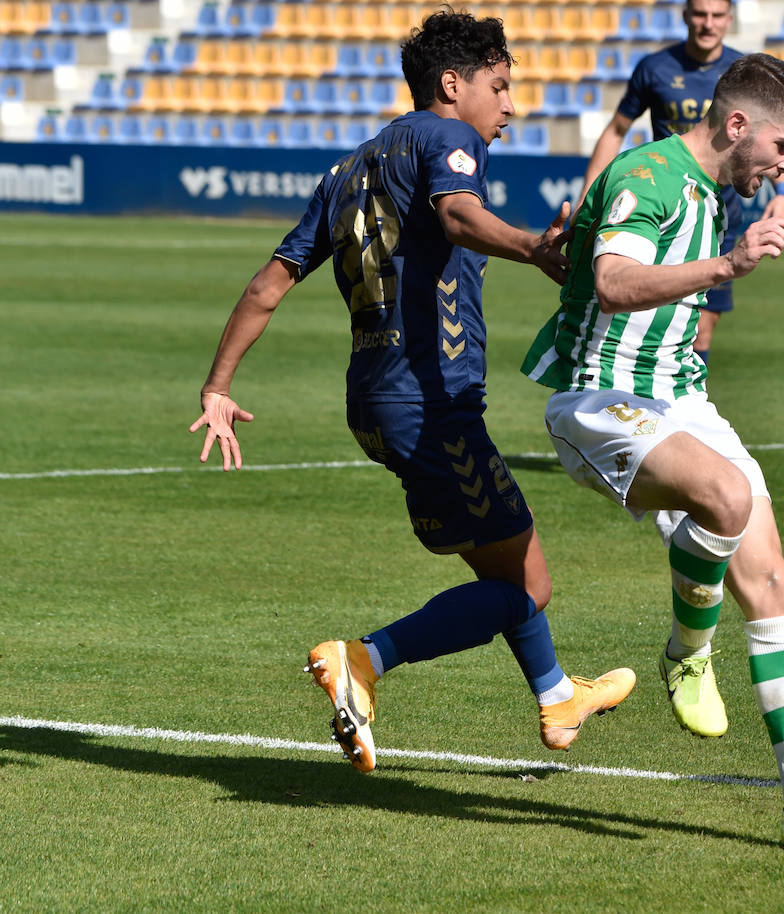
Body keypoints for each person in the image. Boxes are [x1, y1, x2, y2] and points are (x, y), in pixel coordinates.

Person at [188, 9, 634, 773]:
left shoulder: (348, 168)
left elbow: (269, 284)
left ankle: (558, 695)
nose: (510, 107)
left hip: (373, 402)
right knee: (528, 586)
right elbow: (458, 215)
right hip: (431, 404)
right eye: (499, 87)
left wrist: (217, 385)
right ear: (452, 85)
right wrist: (532, 246)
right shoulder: (447, 139)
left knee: (504, 569)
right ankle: (362, 660)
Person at [521, 53, 784, 848]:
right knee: (725, 496)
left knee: (773, 580)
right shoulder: (648, 176)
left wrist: (740, 243)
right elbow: (616, 281)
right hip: (599, 401)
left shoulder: (714, 189)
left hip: (682, 399)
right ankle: (688, 653)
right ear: (737, 127)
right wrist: (730, 263)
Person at [577, 0, 784, 367]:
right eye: (700, 14)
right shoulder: (654, 68)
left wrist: (782, 192)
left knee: (698, 331)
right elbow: (616, 130)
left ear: (729, 19)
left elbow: (775, 137)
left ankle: (683, 398)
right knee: (646, 311)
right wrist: (586, 198)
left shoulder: (747, 73)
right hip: (666, 208)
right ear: (685, 17)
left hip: (718, 215)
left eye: (717, 15)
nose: (708, 24)